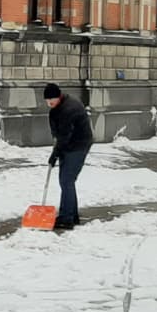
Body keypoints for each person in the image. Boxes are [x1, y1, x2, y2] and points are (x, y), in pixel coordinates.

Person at [44, 83, 93, 230]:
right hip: (69, 144)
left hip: (78, 145)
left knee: (66, 180)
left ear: (59, 96)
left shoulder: (68, 109)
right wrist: (57, 150)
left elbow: (64, 136)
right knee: (66, 180)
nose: (49, 102)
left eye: (52, 99)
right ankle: (71, 214)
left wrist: (55, 154)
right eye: (47, 100)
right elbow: (60, 135)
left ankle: (67, 218)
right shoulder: (58, 108)